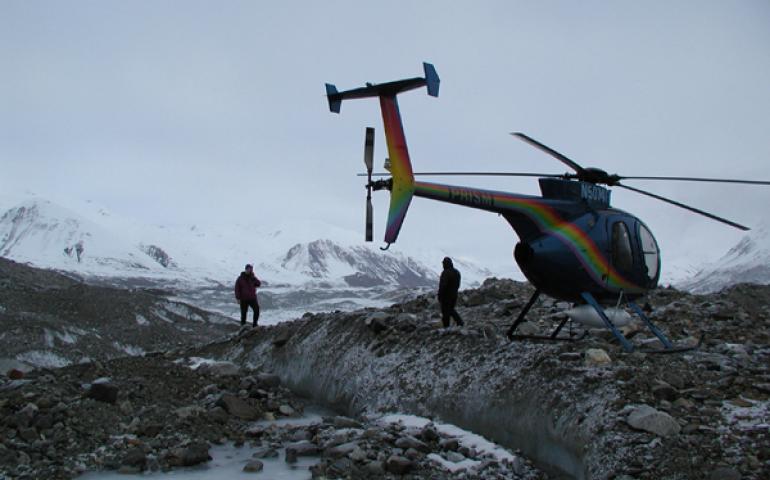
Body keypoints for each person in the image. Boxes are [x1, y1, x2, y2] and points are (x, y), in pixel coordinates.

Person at [438, 256, 463, 328]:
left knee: (445, 312)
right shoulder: (457, 272)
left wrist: (440, 295)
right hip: (454, 295)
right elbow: (458, 285)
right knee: (451, 310)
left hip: (446, 296)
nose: (442, 265)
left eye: (443, 263)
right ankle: (459, 323)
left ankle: (447, 327)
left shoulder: (445, 273)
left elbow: (443, 285)